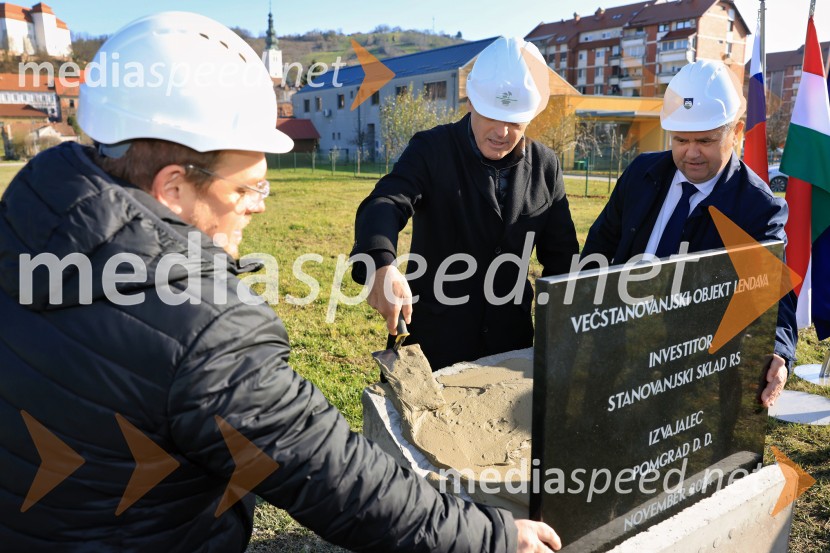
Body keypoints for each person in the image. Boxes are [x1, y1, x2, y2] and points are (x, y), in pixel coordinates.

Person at [0, 12, 561, 553]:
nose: (259, 208)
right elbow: (330, 472)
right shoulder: (203, 330)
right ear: (173, 189)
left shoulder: (24, 223)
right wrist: (490, 537)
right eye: (247, 190)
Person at [351, 37, 579, 370]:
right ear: (471, 100)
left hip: (511, 345)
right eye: (491, 115)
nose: (502, 131)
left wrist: (568, 322)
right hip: (436, 342)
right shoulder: (432, 150)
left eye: (515, 121)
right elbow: (386, 201)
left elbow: (562, 258)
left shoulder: (546, 166)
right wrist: (380, 262)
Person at [581, 59, 797, 408]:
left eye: (706, 141)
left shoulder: (757, 208)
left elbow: (772, 293)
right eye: (680, 139)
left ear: (737, 132)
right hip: (617, 346)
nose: (691, 153)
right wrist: (576, 312)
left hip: (691, 368)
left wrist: (778, 351)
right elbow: (601, 244)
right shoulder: (640, 173)